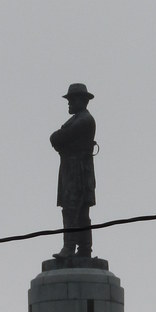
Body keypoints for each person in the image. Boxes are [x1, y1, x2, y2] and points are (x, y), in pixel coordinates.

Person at [50, 83, 97, 258]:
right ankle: (83, 249)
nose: (69, 103)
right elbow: (56, 139)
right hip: (71, 169)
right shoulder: (76, 119)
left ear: (82, 101)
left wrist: (60, 140)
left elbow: (58, 138)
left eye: (72, 100)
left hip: (78, 170)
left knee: (74, 209)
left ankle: (71, 248)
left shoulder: (84, 120)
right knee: (76, 210)